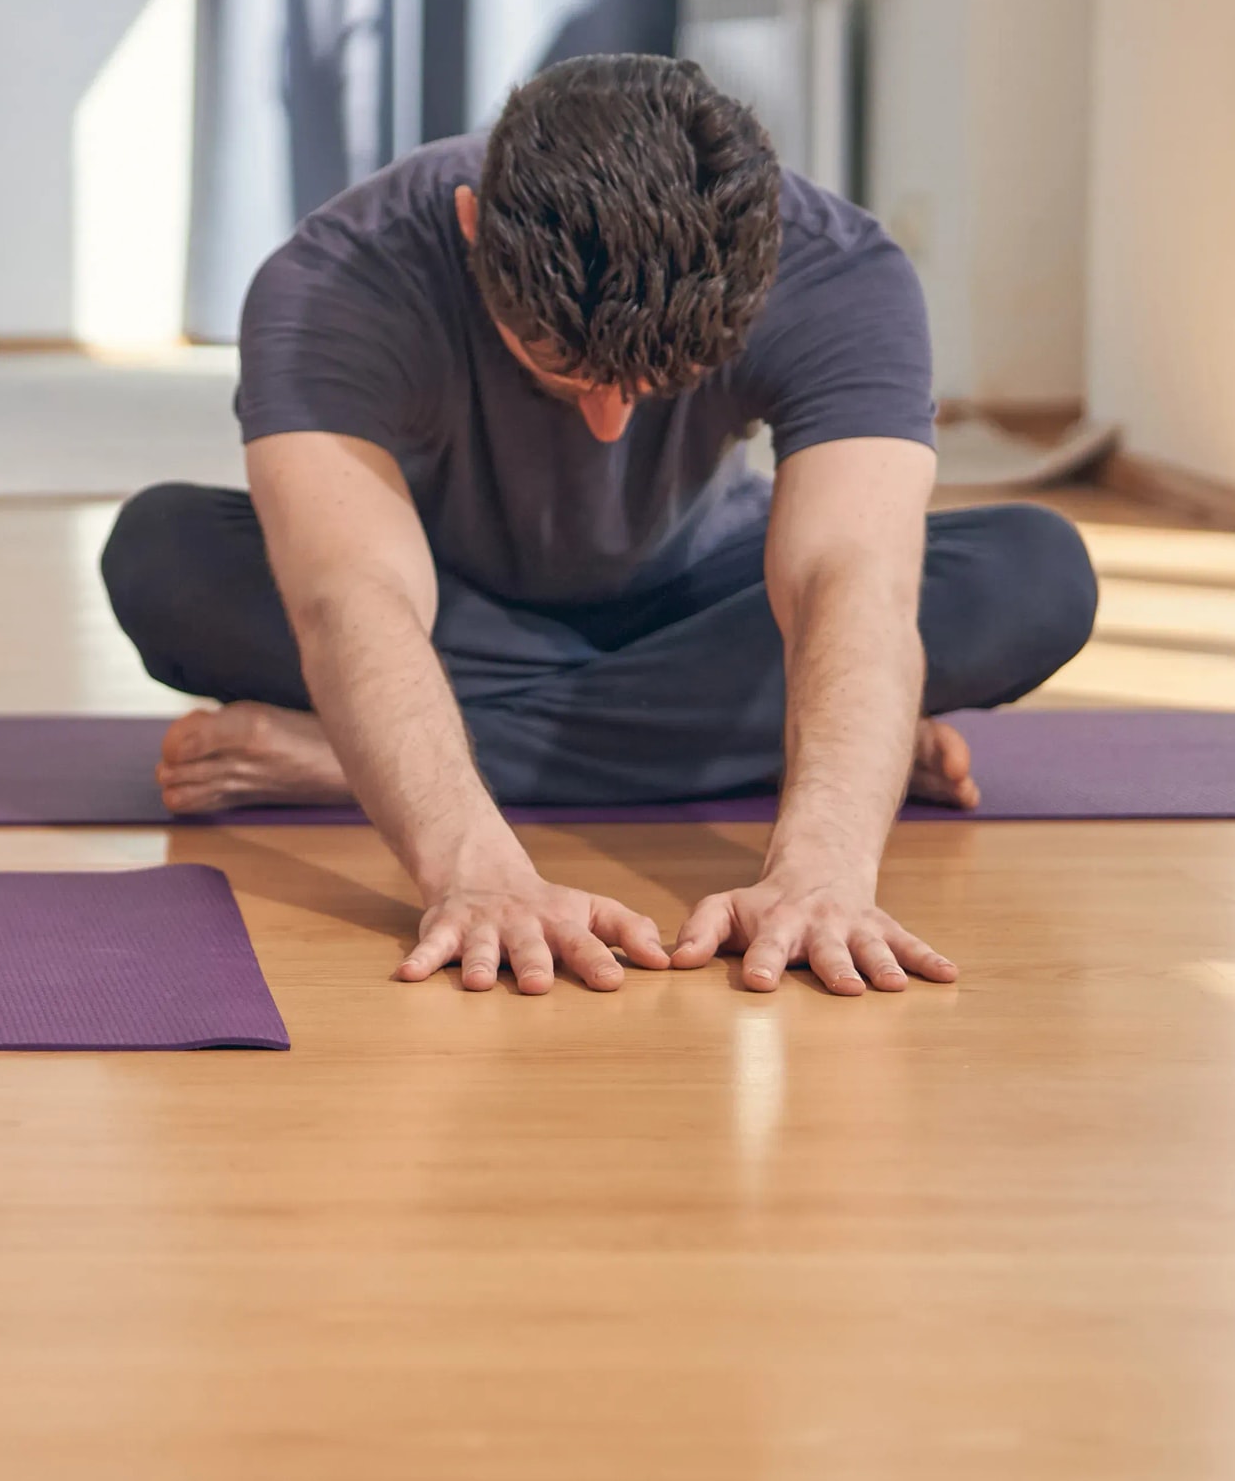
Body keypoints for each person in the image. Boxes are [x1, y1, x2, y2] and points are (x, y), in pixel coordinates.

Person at [100, 53, 1096, 998]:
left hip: (709, 607)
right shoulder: (338, 279)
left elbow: (848, 575)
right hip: (453, 611)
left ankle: (353, 752)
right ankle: (771, 739)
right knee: (165, 557)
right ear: (472, 227)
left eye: (660, 383)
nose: (612, 423)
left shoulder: (838, 270)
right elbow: (351, 594)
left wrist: (824, 865)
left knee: (1034, 574)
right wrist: (471, 869)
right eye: (562, 371)